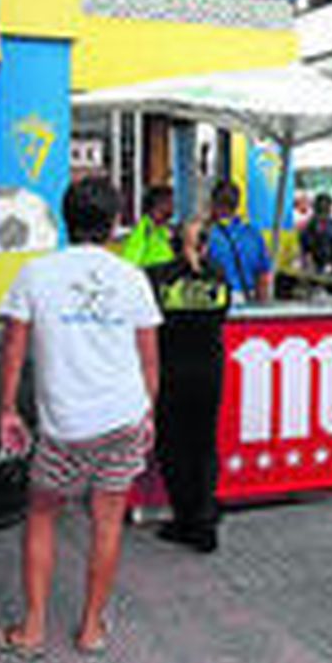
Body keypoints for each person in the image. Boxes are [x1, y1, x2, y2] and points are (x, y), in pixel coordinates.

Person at [0, 175, 162, 657]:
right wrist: (147, 412)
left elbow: (13, 349)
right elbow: (149, 360)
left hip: (63, 426)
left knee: (42, 515)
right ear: (114, 223)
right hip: (123, 416)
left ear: (66, 220)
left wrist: (7, 410)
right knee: (106, 521)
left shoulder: (35, 273)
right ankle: (90, 630)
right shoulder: (132, 277)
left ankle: (32, 630)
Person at [147, 219, 231, 553]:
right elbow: (223, 316)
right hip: (210, 371)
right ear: (206, 245)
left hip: (171, 372)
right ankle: (206, 517)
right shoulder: (218, 275)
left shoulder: (156, 278)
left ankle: (186, 521)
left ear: (171, 245)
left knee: (173, 448)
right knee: (204, 445)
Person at [208, 179, 273, 302]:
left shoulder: (209, 236)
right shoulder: (253, 234)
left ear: (214, 204)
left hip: (219, 300)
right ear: (237, 205)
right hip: (248, 296)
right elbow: (263, 277)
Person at [120, 184, 175, 268]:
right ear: (159, 204)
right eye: (170, 202)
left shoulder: (162, 229)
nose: (174, 206)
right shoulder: (144, 228)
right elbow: (130, 260)